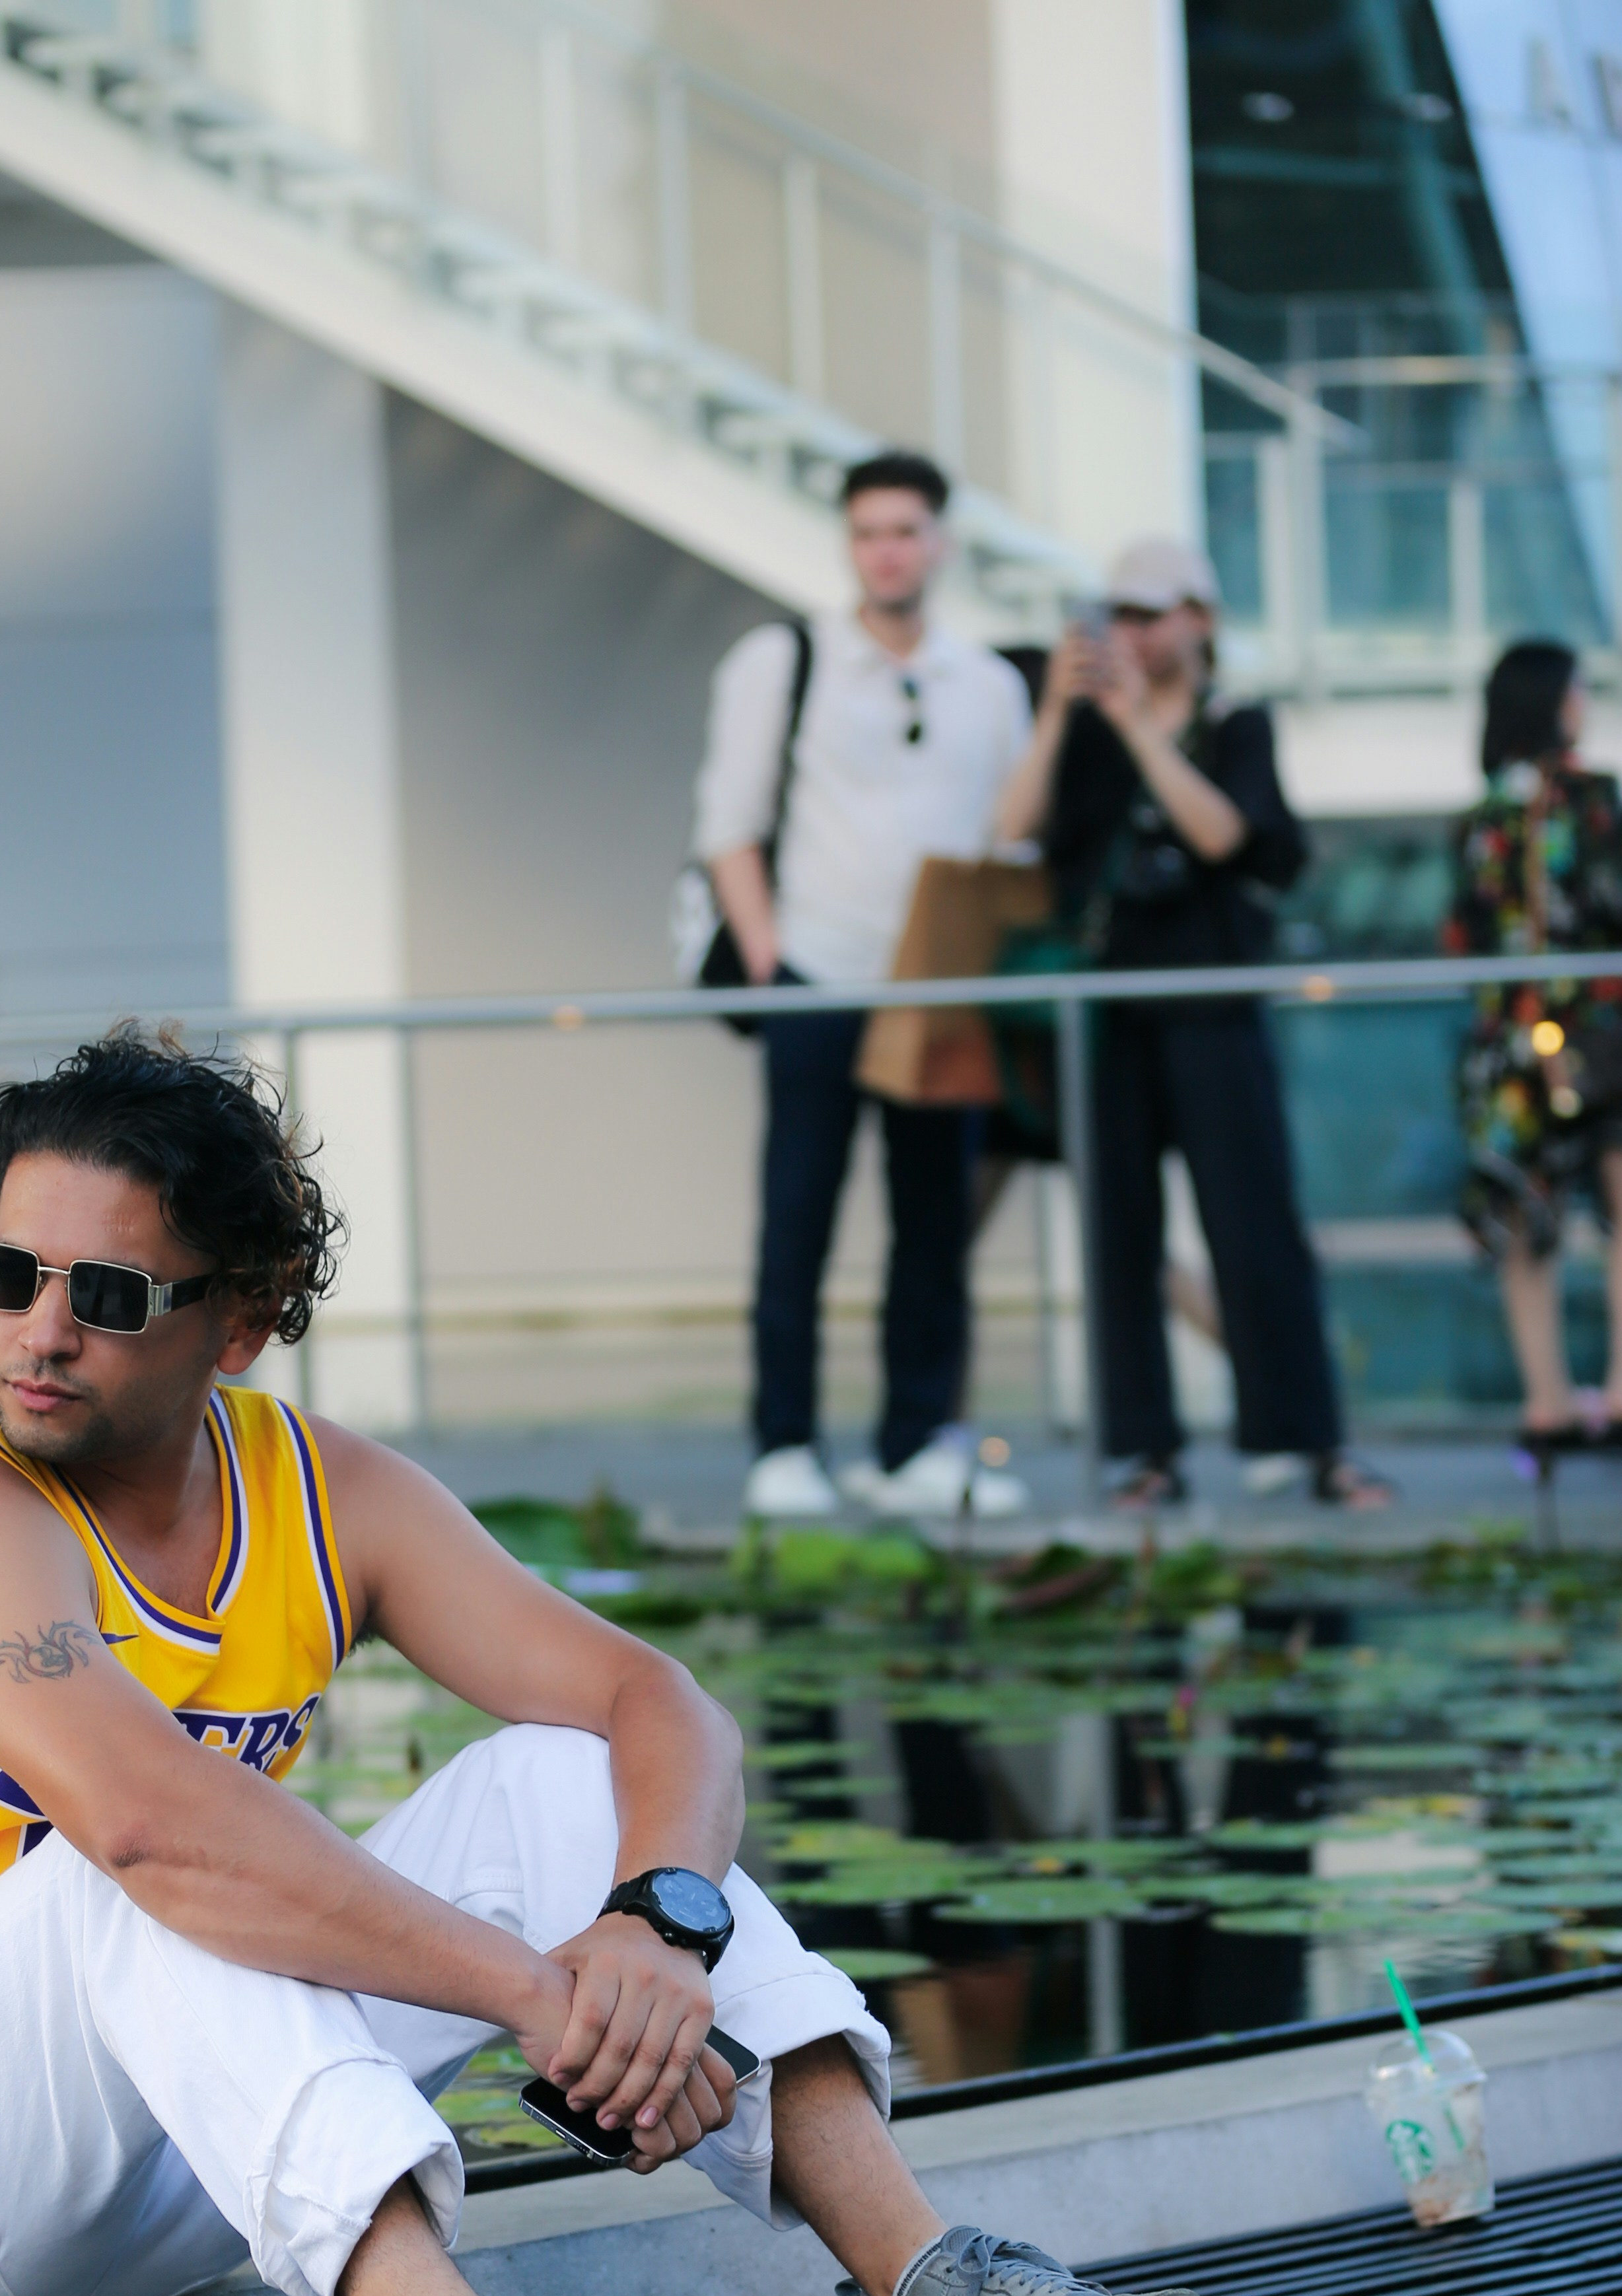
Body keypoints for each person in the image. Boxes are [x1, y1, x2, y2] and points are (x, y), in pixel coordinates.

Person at [0, 1030, 1230, 2296]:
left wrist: (655, 1928)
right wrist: (543, 1996)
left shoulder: (316, 1490)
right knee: (149, 1856)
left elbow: (660, 1705)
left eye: (103, 1294)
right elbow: (151, 1827)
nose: (34, 1332)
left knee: (560, 1774)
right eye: (2, 1269)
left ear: (241, 1314)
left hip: (187, 2151)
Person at [995, 534, 1388, 1513]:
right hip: (1110, 1011)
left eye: (1146, 613)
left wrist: (1139, 730)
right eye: (1115, 615)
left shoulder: (1233, 724)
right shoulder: (1083, 728)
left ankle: (1308, 1443)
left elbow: (1228, 837)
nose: (1127, 633)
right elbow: (1013, 829)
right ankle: (1145, 1451)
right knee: (1119, 1235)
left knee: (1254, 1227)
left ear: (1199, 619)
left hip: (1212, 1003)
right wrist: (1058, 712)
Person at [692, 449, 1033, 1524]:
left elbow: (1007, 843)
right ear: (851, 543)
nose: (887, 550)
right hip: (818, 980)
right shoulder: (784, 659)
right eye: (869, 531)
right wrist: (770, 964)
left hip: (938, 991)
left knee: (935, 1228)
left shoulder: (989, 683)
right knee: (798, 1218)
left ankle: (917, 1441)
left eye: (906, 530)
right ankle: (784, 1443)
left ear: (940, 542)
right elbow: (729, 828)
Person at [1442, 636, 1622, 1449]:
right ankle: (1618, 1394)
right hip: (1596, 1033)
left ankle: (1546, 1404)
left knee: (1524, 1225)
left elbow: (1460, 935)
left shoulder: (1481, 818)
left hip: (1508, 1043)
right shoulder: (1592, 800)